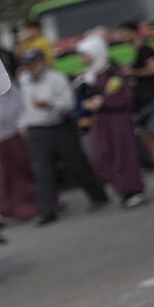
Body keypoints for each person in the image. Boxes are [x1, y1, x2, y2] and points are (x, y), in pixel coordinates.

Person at [17, 49, 109, 224]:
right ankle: (47, 211)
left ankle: (98, 195)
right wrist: (23, 126)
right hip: (36, 129)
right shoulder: (24, 81)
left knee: (77, 164)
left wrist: (50, 104)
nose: (31, 67)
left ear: (42, 62)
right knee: (41, 171)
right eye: (28, 64)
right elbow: (23, 107)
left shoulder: (56, 78)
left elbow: (69, 103)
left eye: (34, 63)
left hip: (59, 125)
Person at [76, 35, 148, 208]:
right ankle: (121, 188)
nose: (82, 59)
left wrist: (104, 102)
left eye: (85, 54)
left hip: (118, 119)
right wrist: (87, 104)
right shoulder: (88, 75)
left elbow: (124, 96)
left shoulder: (112, 72)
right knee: (101, 156)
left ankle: (132, 191)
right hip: (100, 122)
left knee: (123, 155)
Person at [0, 47, 38, 222]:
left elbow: (19, 105)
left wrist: (23, 126)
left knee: (20, 171)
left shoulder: (6, 84)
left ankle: (26, 204)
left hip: (12, 133)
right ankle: (1, 209)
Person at [119, 20, 154, 166]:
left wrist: (132, 72)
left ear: (134, 32)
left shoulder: (144, 49)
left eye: (124, 32)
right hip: (145, 98)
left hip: (152, 96)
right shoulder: (138, 50)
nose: (121, 36)